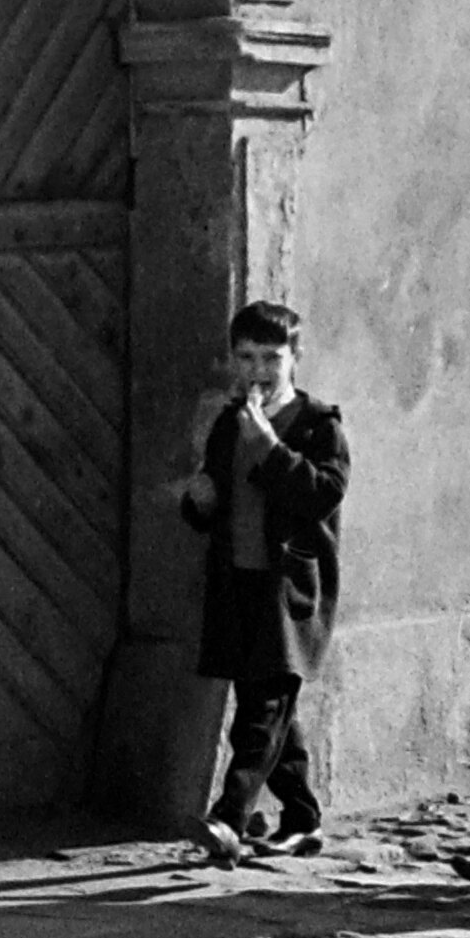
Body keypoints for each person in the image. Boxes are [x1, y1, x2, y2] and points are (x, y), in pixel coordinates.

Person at [174, 296, 349, 859]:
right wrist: (199, 501)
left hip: (289, 591)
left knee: (262, 714)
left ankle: (229, 818)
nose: (259, 371)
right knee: (269, 709)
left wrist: (271, 450)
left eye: (272, 358)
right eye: (247, 358)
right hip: (237, 582)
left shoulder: (318, 425)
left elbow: (323, 493)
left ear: (295, 358)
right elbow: (214, 499)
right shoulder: (230, 423)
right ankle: (302, 817)